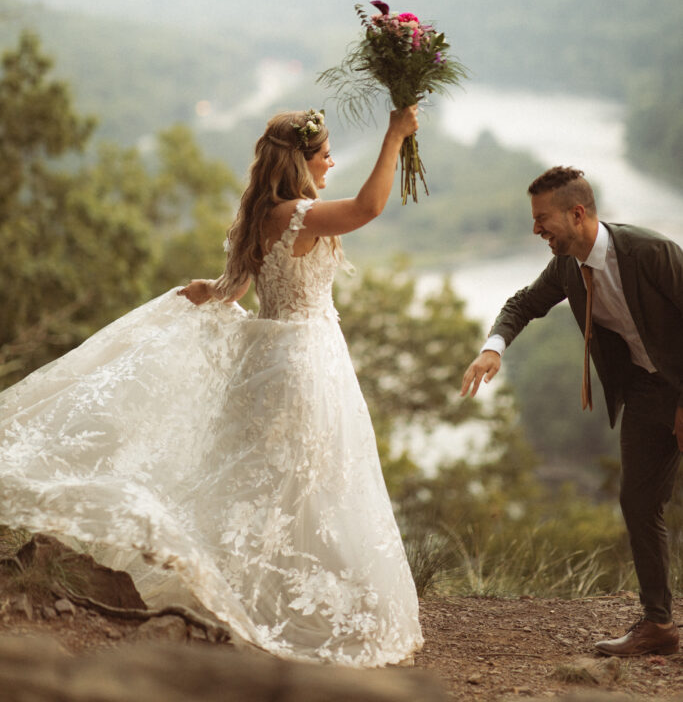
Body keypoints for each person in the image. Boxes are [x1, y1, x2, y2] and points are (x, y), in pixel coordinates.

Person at [0, 106, 423, 667]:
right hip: (303, 363)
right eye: (325, 154)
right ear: (301, 161)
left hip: (269, 360)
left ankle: (268, 590)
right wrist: (395, 134)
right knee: (309, 484)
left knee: (272, 483)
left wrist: (206, 290)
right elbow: (369, 208)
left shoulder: (259, 215)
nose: (331, 162)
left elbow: (235, 288)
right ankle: (293, 605)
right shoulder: (300, 213)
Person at [461, 165, 683, 657]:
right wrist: (493, 348)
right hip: (646, 394)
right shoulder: (567, 267)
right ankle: (659, 625)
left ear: (577, 213)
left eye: (543, 219)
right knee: (639, 502)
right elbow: (523, 303)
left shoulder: (651, 251)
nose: (536, 229)